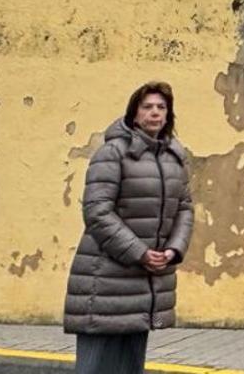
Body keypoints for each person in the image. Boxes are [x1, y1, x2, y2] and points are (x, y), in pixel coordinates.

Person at [64, 82, 194, 374]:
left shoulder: (174, 157)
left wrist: (173, 250)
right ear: (134, 114)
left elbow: (185, 207)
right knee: (97, 367)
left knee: (129, 367)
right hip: (105, 279)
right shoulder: (112, 153)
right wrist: (140, 252)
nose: (155, 113)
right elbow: (97, 212)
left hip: (146, 281)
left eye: (161, 107)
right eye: (147, 107)